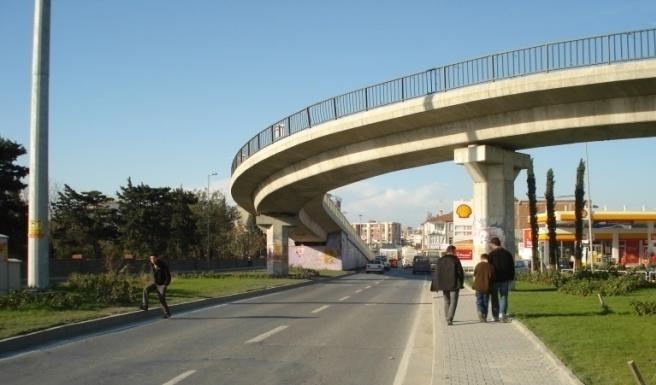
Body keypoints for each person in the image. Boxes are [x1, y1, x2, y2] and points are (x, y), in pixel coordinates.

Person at [431, 245, 464, 325]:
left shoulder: (440, 260)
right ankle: (450, 318)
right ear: (452, 251)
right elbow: (460, 272)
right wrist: (461, 282)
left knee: (446, 301)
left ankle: (447, 317)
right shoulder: (455, 260)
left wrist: (436, 285)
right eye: (455, 251)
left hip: (444, 284)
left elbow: (436, 273)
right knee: (454, 301)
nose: (456, 253)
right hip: (454, 284)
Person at [487, 237, 515, 322]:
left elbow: (489, 268)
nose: (490, 246)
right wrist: (511, 277)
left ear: (493, 244)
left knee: (494, 297)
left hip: (495, 280)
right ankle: (502, 314)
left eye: (490, 244)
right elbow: (511, 267)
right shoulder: (507, 254)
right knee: (504, 297)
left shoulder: (491, 255)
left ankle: (495, 316)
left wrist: (489, 278)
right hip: (505, 279)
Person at [473, 253, 495, 323]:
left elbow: (475, 274)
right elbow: (493, 277)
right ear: (487, 259)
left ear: (481, 258)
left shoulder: (478, 265)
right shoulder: (491, 266)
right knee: (485, 301)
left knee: (479, 301)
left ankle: (480, 311)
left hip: (478, 287)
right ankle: (484, 316)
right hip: (487, 287)